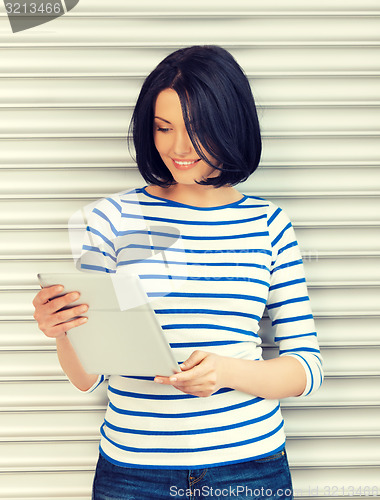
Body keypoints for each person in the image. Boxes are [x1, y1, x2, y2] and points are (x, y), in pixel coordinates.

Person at [33, 45, 323, 499]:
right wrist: (62, 330)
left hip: (249, 470)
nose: (177, 148)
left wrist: (225, 371)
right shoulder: (112, 219)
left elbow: (306, 369)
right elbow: (89, 376)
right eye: (163, 128)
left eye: (196, 130)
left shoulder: (269, 224)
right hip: (133, 473)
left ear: (231, 126)